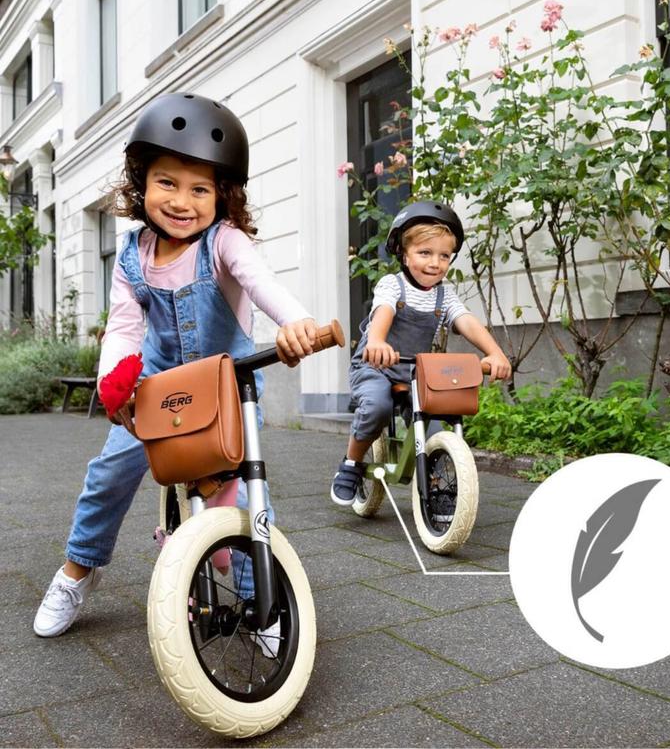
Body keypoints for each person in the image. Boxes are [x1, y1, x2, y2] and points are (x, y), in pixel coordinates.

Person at [34, 93, 316, 639]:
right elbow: (122, 325)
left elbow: (261, 284)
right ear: (142, 185)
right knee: (110, 473)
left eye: (200, 189)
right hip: (158, 388)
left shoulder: (225, 243)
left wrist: (295, 323)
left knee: (240, 486)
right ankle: (78, 569)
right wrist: (116, 381)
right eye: (167, 183)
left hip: (226, 387)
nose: (182, 200)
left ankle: (264, 600)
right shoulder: (133, 254)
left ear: (222, 196)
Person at [330, 200, 512, 505]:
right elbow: (383, 313)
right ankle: (351, 463)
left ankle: (438, 480)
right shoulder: (393, 285)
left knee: (437, 421)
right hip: (375, 366)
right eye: (425, 253)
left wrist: (495, 353)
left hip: (415, 370)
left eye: (444, 256)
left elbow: (466, 321)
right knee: (376, 406)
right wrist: (376, 341)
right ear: (403, 252)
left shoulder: (445, 294)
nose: (435, 263)